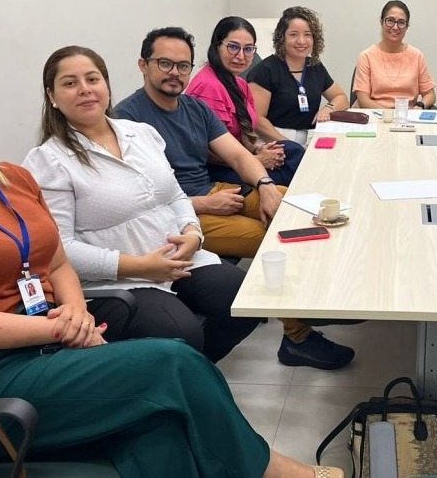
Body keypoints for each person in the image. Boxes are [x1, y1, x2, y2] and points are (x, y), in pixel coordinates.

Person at [0, 53, 342, 478]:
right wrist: (62, 328)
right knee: (174, 363)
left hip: (52, 343)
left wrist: (75, 313)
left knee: (163, 425)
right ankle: (273, 470)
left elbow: (57, 261)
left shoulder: (12, 179)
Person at [116, 27, 355, 370]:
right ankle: (298, 338)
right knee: (276, 238)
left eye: (183, 66)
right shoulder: (126, 120)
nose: (175, 73)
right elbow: (135, 200)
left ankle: (319, 296)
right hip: (179, 216)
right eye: (164, 63)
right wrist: (202, 204)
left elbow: (239, 155)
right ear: (144, 65)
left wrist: (265, 185)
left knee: (298, 207)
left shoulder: (194, 108)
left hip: (214, 191)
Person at [22, 46, 261, 363]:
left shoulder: (142, 134)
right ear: (52, 96)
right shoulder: (48, 161)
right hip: (121, 279)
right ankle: (181, 371)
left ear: (106, 85)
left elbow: (175, 196)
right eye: (70, 83)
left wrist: (193, 234)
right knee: (182, 332)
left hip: (181, 260)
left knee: (248, 300)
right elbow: (60, 249)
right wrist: (140, 267)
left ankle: (191, 371)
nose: (84, 89)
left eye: (92, 79)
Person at [184, 16, 303, 186]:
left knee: (293, 150)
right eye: (233, 47)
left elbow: (244, 131)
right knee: (291, 172)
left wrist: (258, 149)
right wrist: (256, 160)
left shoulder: (239, 83)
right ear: (217, 46)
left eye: (248, 49)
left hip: (240, 158)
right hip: (215, 168)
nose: (240, 56)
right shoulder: (209, 87)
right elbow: (207, 152)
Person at [248, 7, 350, 146]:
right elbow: (258, 120)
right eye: (293, 35)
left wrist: (329, 108)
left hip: (309, 136)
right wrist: (290, 145)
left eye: (307, 35)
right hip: (274, 140)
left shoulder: (314, 66)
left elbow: (341, 97)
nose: (301, 41)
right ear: (282, 38)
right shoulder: (265, 70)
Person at [354, 0, 437, 109]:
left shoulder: (417, 56)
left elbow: (430, 95)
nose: (395, 27)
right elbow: (363, 100)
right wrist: (390, 115)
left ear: (407, 27)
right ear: (381, 22)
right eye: (390, 21)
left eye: (401, 22)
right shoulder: (366, 57)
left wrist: (420, 106)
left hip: (408, 115)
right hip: (376, 115)